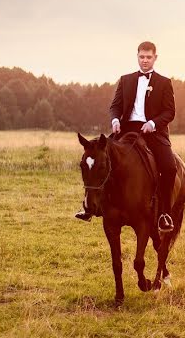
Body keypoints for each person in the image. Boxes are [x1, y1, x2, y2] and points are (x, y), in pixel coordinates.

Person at [75, 40, 178, 232]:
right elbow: (115, 106)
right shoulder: (126, 80)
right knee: (96, 157)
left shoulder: (164, 82)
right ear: (137, 56)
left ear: (155, 58)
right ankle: (90, 206)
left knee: (169, 168)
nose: (145, 60)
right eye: (141, 57)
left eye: (148, 57)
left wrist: (153, 123)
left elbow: (169, 112)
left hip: (153, 132)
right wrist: (115, 120)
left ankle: (164, 214)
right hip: (125, 130)